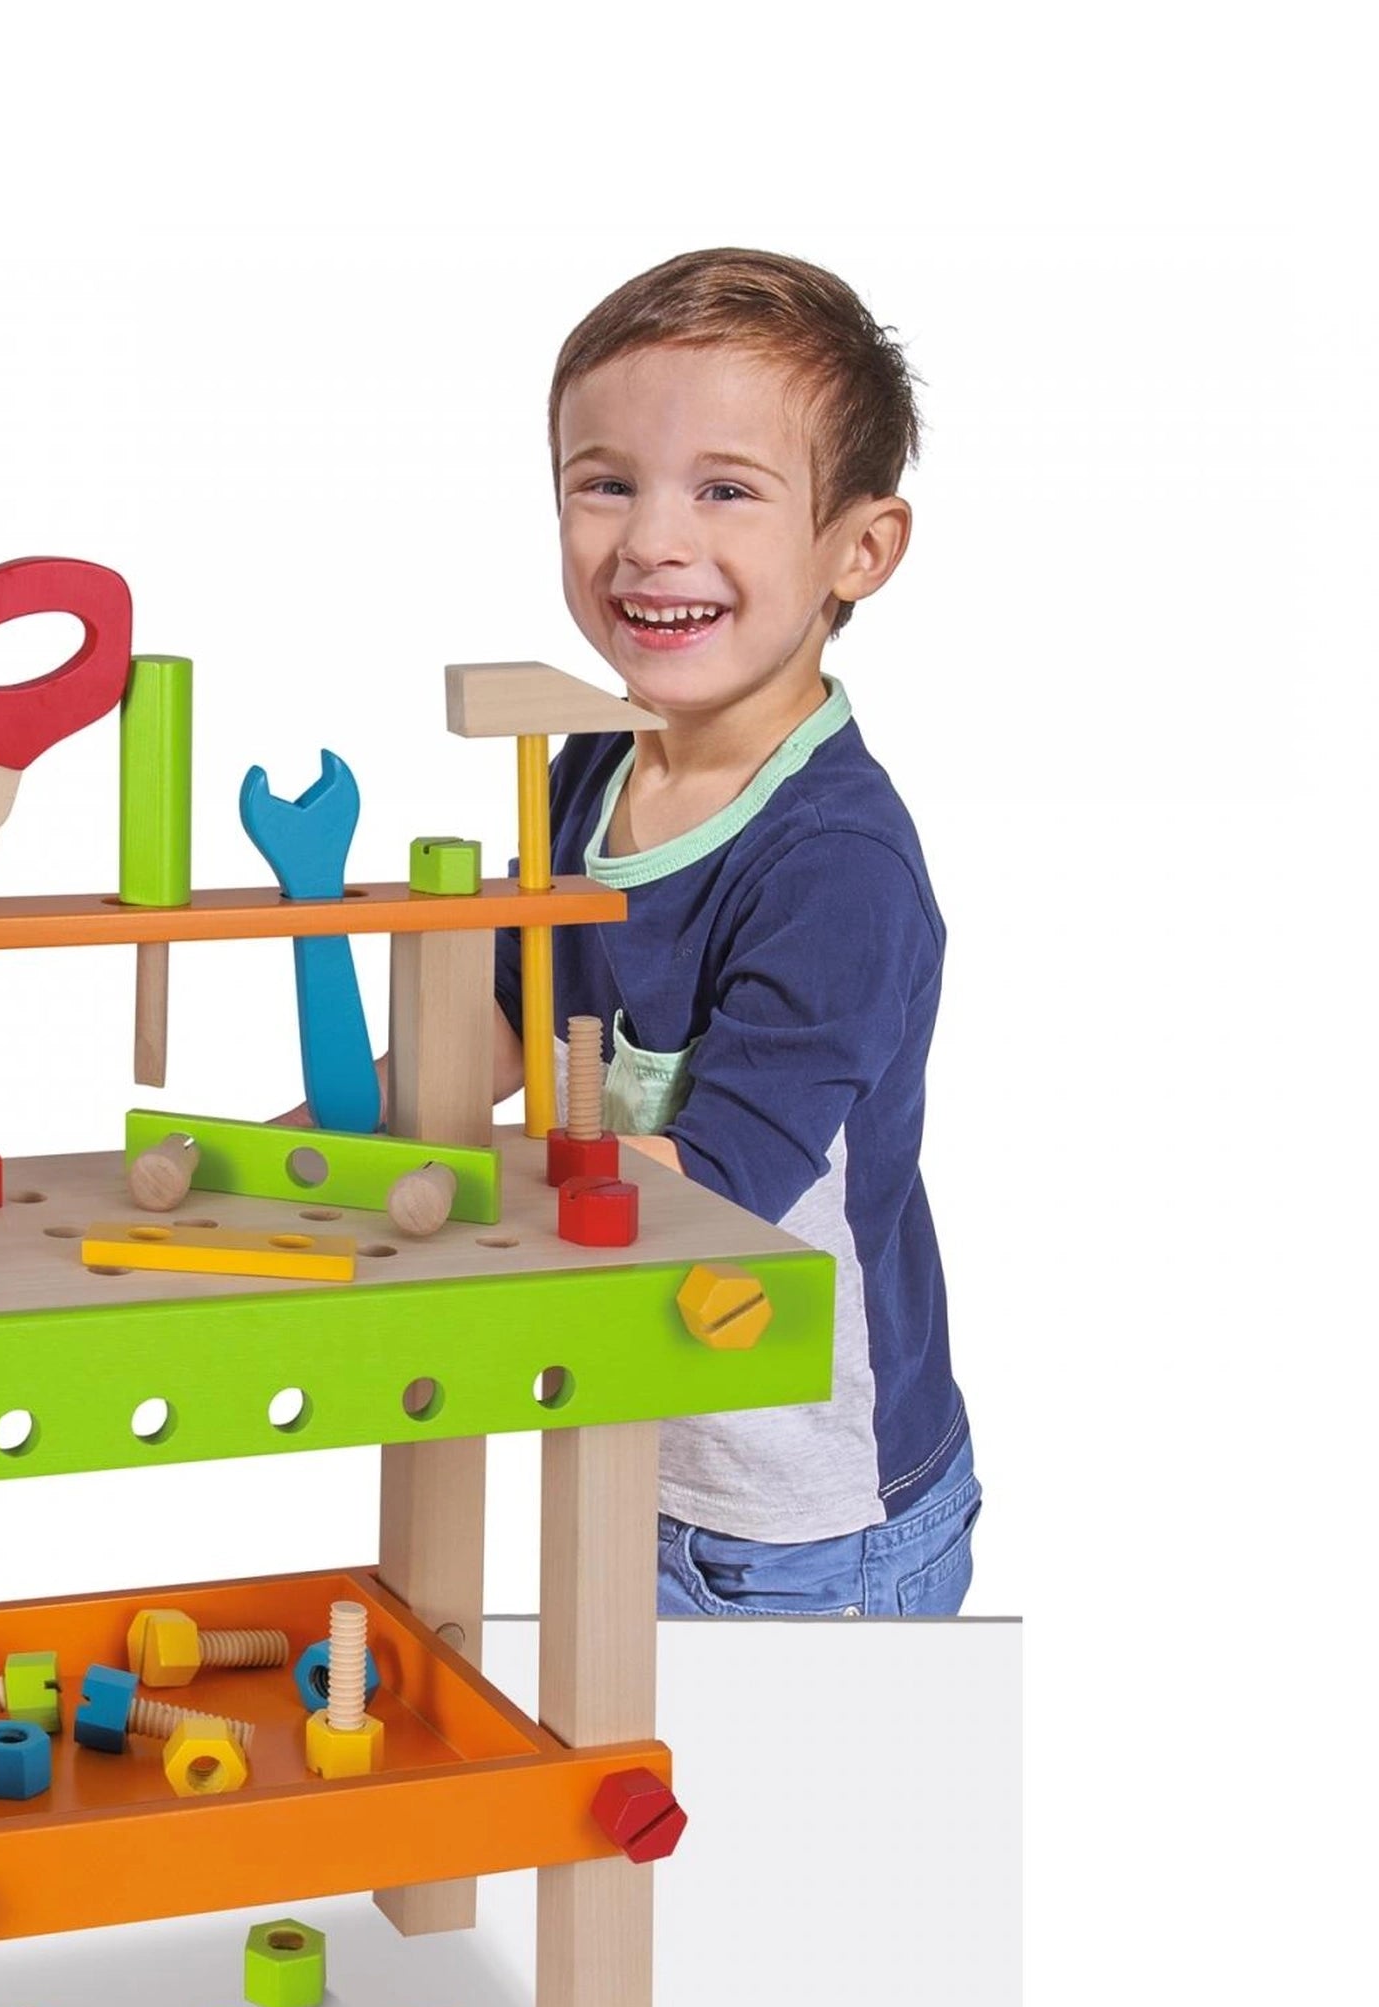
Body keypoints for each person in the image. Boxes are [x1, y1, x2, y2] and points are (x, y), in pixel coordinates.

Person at [485, 245, 979, 1617]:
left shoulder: (835, 867)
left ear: (860, 549)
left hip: (801, 1525)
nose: (652, 539)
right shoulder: (588, 765)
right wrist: (300, 1159)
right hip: (632, 1439)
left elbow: (714, 1182)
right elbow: (501, 1018)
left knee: (774, 1776)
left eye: (725, 490)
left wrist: (441, 1201)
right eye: (604, 483)